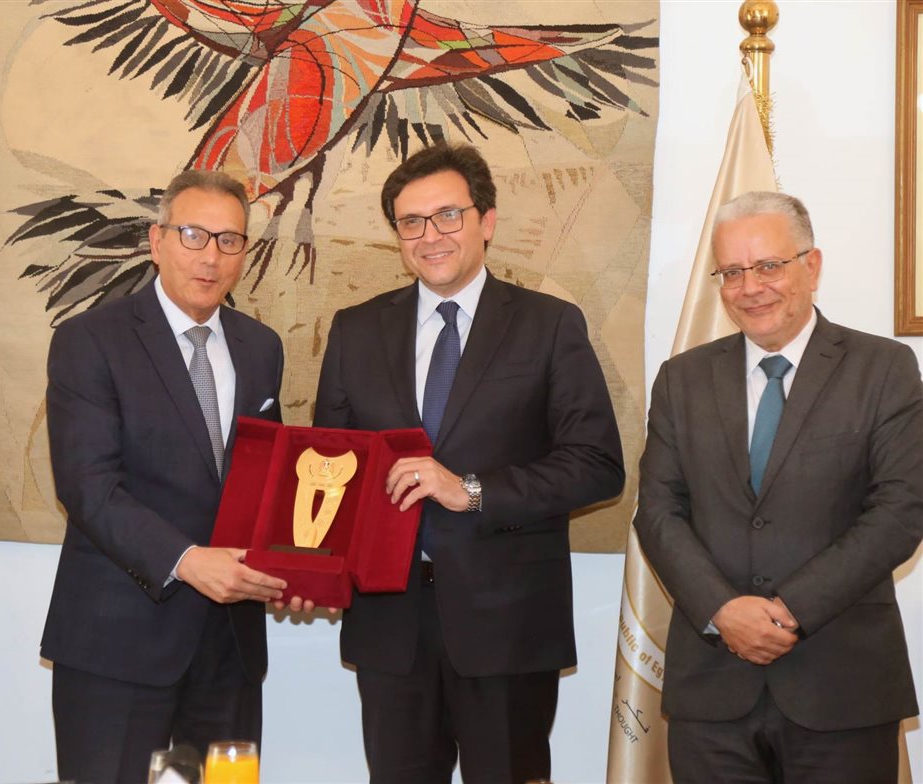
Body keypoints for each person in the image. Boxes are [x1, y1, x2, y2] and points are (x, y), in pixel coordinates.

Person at [313, 142, 625, 784]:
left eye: (448, 215)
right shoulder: (354, 330)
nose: (430, 236)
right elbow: (329, 470)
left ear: (487, 220)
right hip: (390, 624)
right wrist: (306, 558)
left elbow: (597, 464)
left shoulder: (549, 324)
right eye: (411, 222)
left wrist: (472, 490)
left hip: (509, 623)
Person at [634, 191, 923, 783]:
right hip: (711, 692)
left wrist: (791, 611)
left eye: (769, 266)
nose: (751, 287)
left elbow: (901, 510)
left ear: (811, 266)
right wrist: (722, 610)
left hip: (840, 684)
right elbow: (658, 511)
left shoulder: (884, 368)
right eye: (732, 272)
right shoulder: (681, 379)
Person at [41, 170, 292, 784]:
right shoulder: (89, 340)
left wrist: (300, 560)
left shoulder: (261, 347)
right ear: (157, 242)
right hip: (118, 643)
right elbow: (88, 487)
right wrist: (186, 560)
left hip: (229, 646)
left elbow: (268, 479)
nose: (211, 256)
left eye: (229, 240)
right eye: (193, 235)